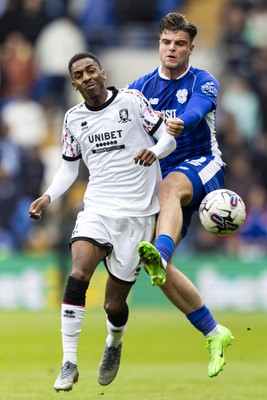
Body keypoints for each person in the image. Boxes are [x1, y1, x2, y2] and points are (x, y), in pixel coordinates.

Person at [29, 51, 176, 391]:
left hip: (138, 216)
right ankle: (69, 362)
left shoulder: (132, 101)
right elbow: (69, 166)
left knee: (113, 304)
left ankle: (114, 340)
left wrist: (154, 151)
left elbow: (168, 137)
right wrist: (49, 195)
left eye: (91, 70)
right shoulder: (72, 119)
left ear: (103, 72)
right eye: (79, 74)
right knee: (78, 272)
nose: (87, 77)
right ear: (74, 84)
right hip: (97, 209)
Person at [127, 12, 234, 378]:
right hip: (163, 173)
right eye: (166, 43)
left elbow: (196, 111)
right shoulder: (139, 88)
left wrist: (178, 122)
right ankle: (214, 331)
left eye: (179, 44)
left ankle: (162, 251)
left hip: (203, 164)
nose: (172, 49)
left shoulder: (204, 81)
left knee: (169, 188)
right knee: (161, 271)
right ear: (159, 44)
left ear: (191, 48)